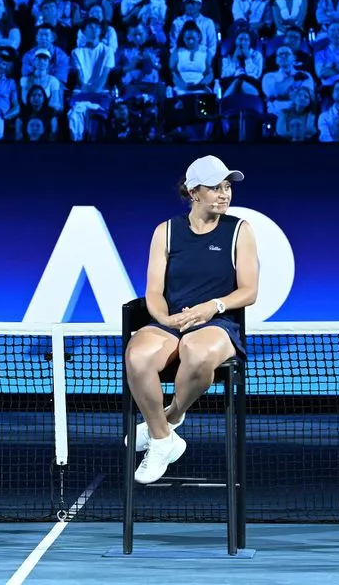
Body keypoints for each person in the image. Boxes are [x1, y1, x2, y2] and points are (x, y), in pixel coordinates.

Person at [124, 155, 259, 484]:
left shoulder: (240, 230)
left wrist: (212, 307)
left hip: (218, 324)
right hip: (172, 322)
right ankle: (162, 440)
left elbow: (248, 292)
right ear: (193, 192)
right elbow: (154, 291)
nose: (224, 194)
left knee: (198, 353)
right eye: (215, 188)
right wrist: (165, 319)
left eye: (227, 187)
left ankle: (171, 416)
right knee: (137, 355)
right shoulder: (166, 232)